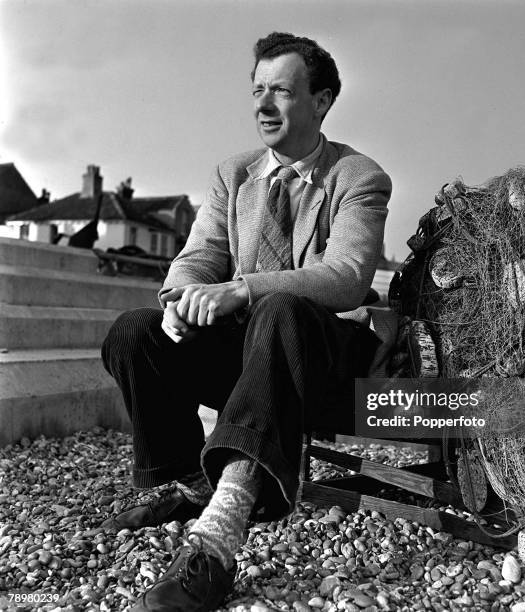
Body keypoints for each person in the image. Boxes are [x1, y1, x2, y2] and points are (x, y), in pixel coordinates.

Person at [101, 31, 392, 611]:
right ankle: (183, 484)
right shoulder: (232, 174)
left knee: (280, 308)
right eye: (257, 90)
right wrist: (180, 302)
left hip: (327, 361)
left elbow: (346, 276)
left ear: (322, 101)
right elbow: (196, 258)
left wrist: (242, 290)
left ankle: (218, 537)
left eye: (280, 91)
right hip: (250, 358)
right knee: (135, 331)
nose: (262, 106)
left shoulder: (359, 177)